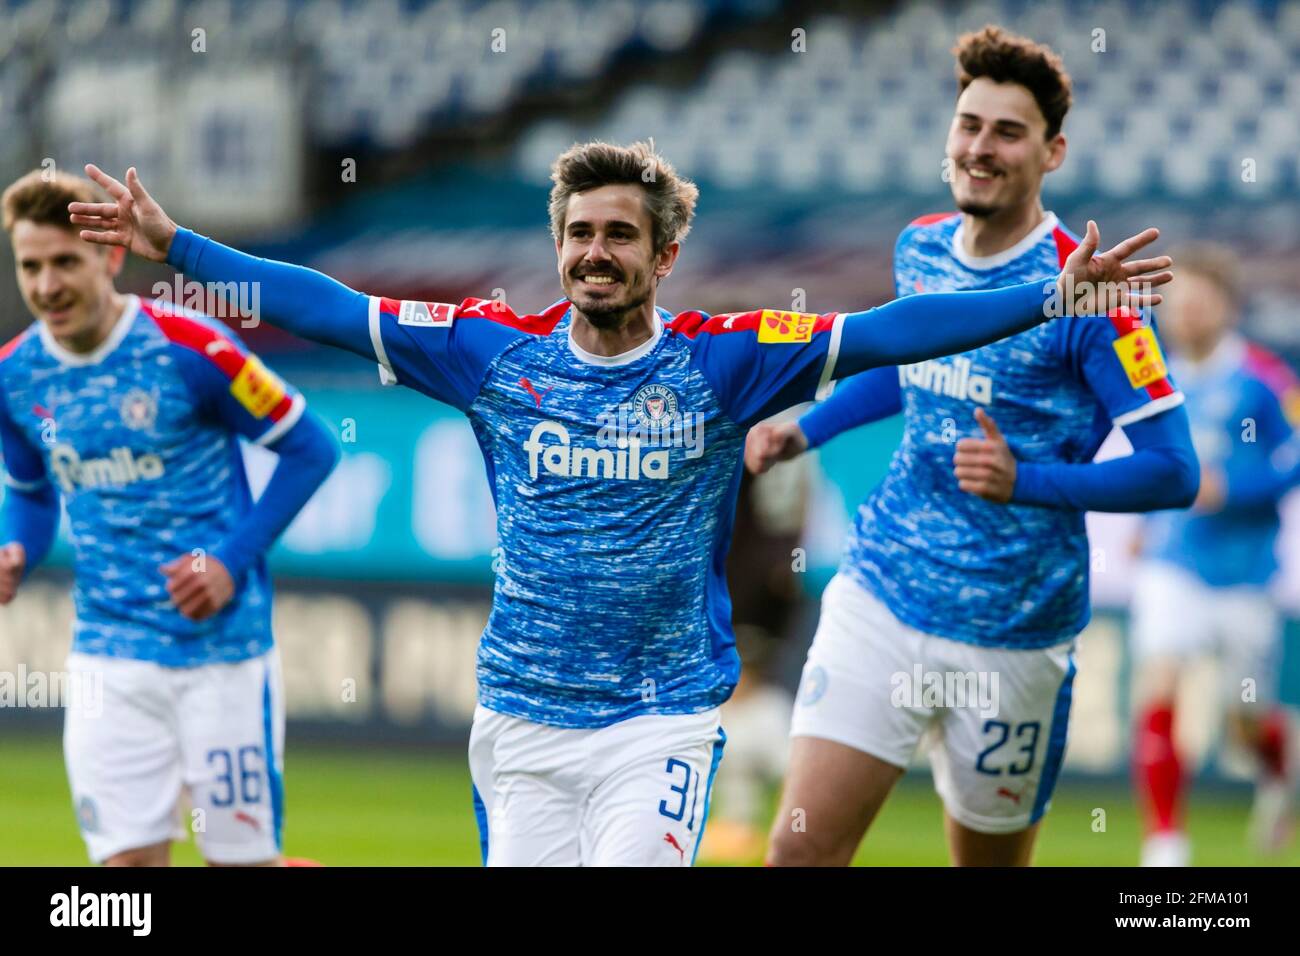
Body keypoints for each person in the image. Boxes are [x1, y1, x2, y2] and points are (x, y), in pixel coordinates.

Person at [68, 142, 1170, 866]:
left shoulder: (728, 361)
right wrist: (179, 250)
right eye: (579, 233)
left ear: (664, 252)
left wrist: (1049, 295)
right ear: (558, 243)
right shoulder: (485, 352)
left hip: (659, 718)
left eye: (619, 236)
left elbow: (889, 331)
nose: (595, 253)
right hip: (519, 718)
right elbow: (324, 303)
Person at [746, 26, 1198, 866]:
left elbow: (1175, 472)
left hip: (1015, 630)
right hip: (882, 593)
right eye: (968, 125)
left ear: (1053, 151)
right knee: (798, 853)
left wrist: (1025, 480)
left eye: (1007, 131)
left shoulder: (1092, 293)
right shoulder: (919, 246)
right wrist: (805, 425)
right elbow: (903, 370)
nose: (980, 148)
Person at [0, 169, 339, 866]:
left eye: (65, 261)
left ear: (110, 256)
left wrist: (228, 561)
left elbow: (311, 448)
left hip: (221, 654)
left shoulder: (192, 349)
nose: (46, 285)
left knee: (238, 863)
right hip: (108, 660)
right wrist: (15, 549)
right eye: (30, 267)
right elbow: (33, 493)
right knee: (126, 877)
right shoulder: (13, 377)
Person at [1130, 243, 1300, 865]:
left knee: (1245, 717)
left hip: (1245, 572)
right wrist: (1146, 518)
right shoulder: (1156, 375)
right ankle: (1165, 841)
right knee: (1160, 683)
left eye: (1200, 304)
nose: (1186, 316)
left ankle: (1279, 776)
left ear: (1228, 308)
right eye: (1177, 305)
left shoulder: (1265, 380)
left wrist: (1233, 490)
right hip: (1172, 562)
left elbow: (1292, 460)